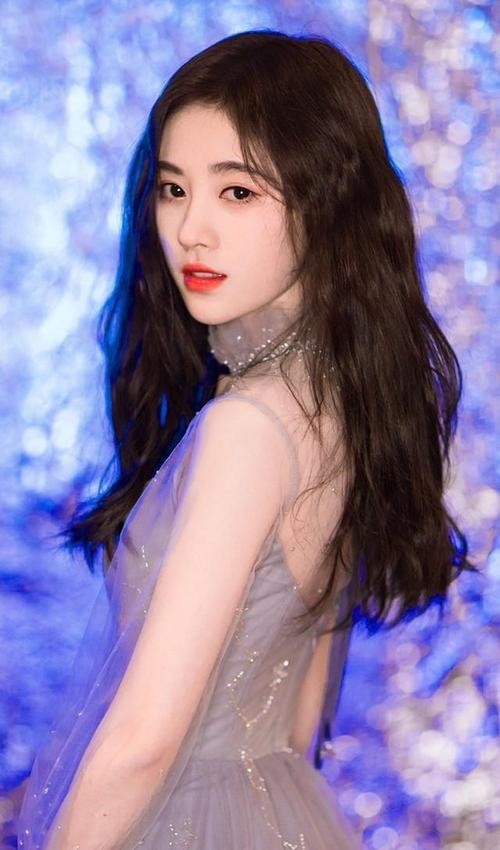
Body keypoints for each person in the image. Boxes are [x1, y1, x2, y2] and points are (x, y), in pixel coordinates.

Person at [17, 29, 471, 849]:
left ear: (324, 203)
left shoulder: (247, 427)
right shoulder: (335, 402)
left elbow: (141, 744)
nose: (191, 229)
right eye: (172, 188)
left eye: (237, 192)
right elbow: (303, 725)